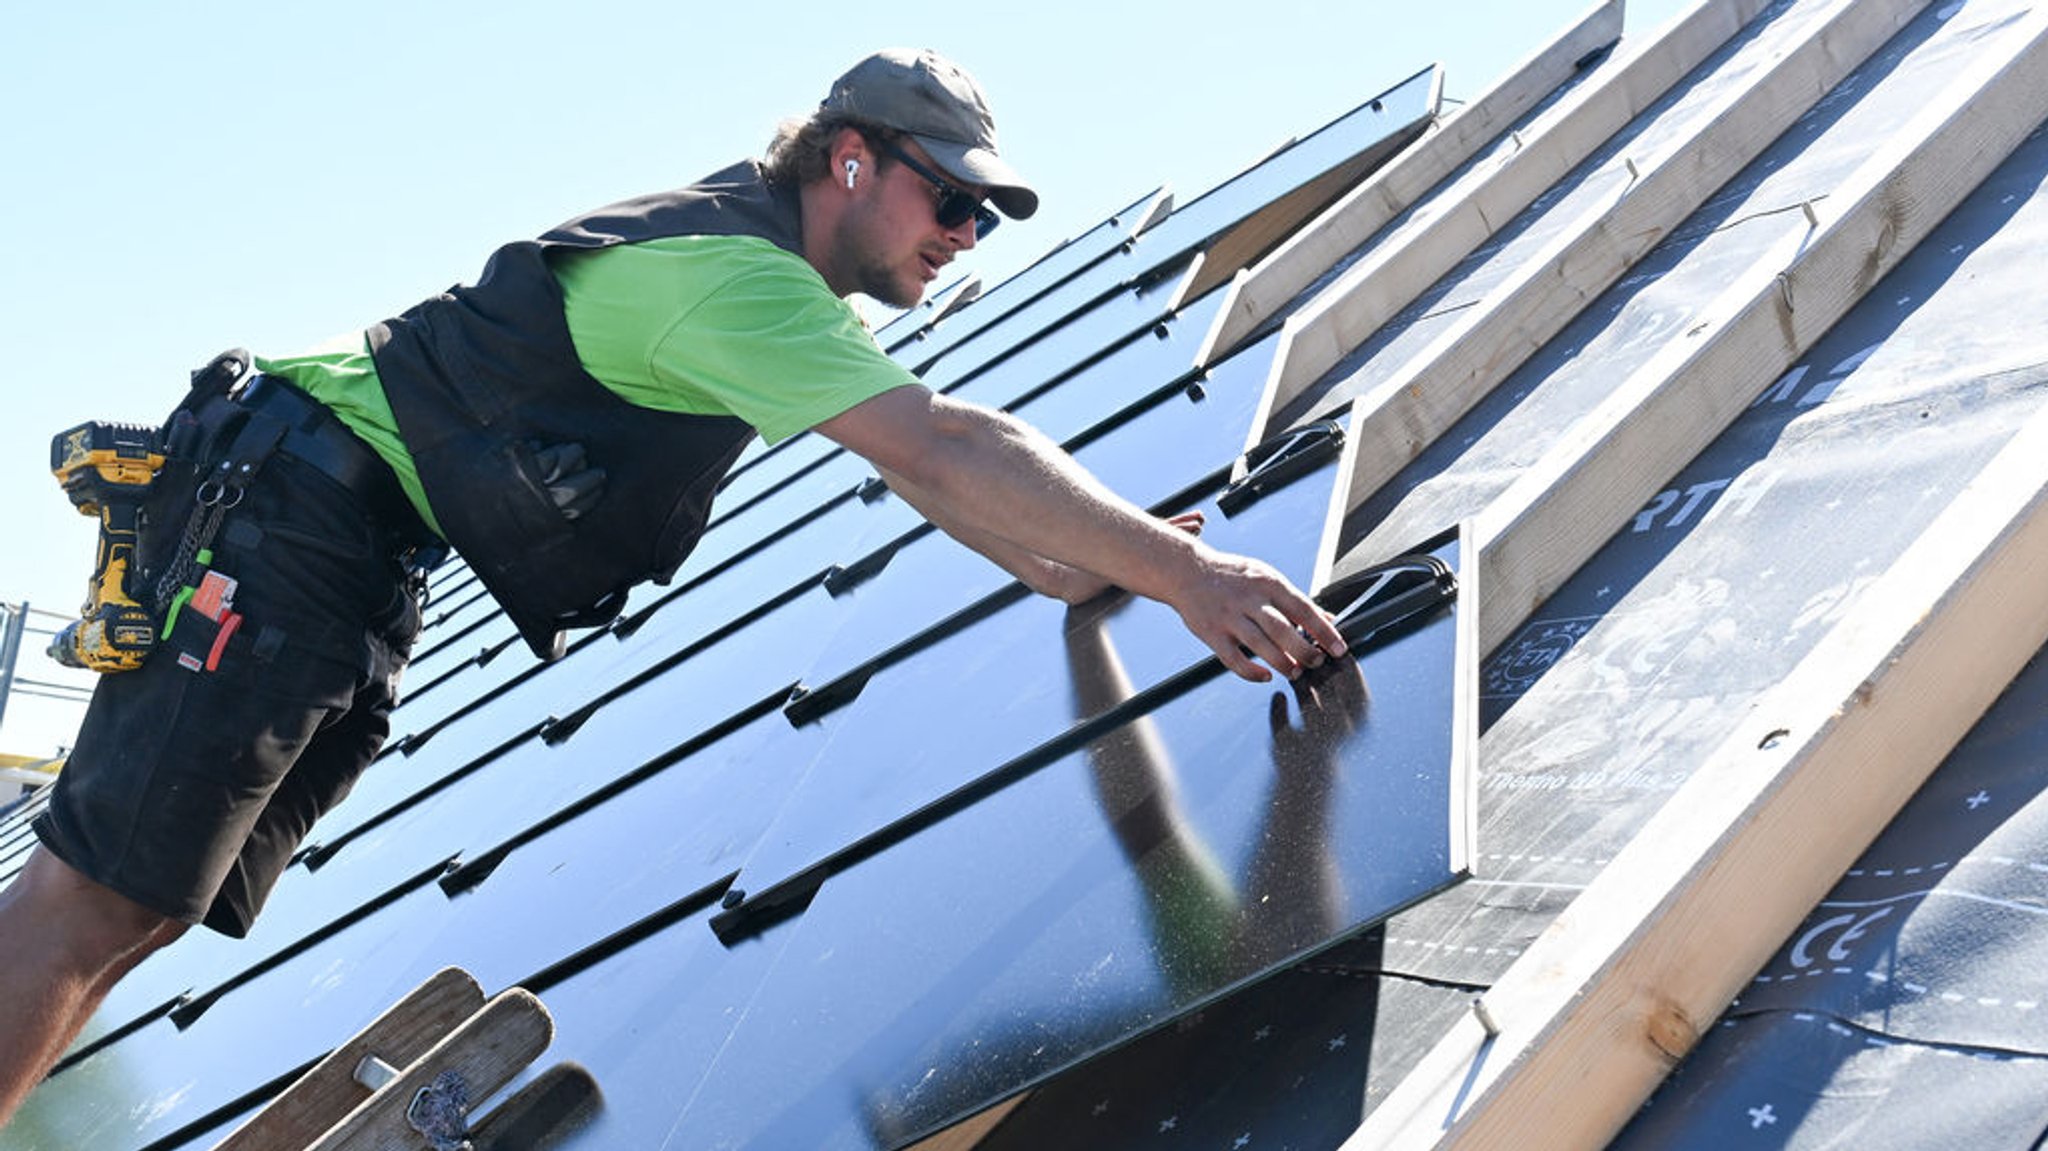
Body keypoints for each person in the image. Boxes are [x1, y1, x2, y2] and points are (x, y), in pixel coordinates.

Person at [0, 47, 1345, 1127]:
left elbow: (932, 476)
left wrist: (1073, 564)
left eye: (984, 217)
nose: (967, 234)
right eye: (952, 199)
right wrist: (1182, 570)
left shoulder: (774, 290)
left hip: (350, 542)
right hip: (293, 508)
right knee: (93, 893)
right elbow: (944, 442)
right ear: (851, 157)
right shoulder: (734, 279)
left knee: (148, 904)